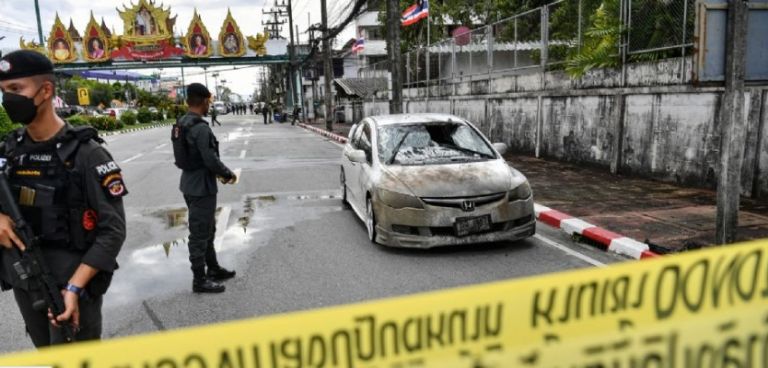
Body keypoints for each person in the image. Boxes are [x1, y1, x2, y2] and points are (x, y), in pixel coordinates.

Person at [0, 50, 127, 347]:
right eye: (4, 91)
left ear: (46, 91)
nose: (8, 100)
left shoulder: (87, 153)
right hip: (26, 281)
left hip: (71, 288)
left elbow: (113, 230)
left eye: (17, 89)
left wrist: (74, 287)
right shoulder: (9, 150)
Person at [175, 83, 236, 293]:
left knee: (208, 229)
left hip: (189, 183)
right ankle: (199, 279)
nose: (209, 105)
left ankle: (214, 268)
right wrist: (227, 173)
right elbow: (210, 159)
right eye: (209, 101)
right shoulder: (199, 128)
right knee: (200, 233)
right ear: (203, 101)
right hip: (202, 187)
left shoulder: (181, 123)